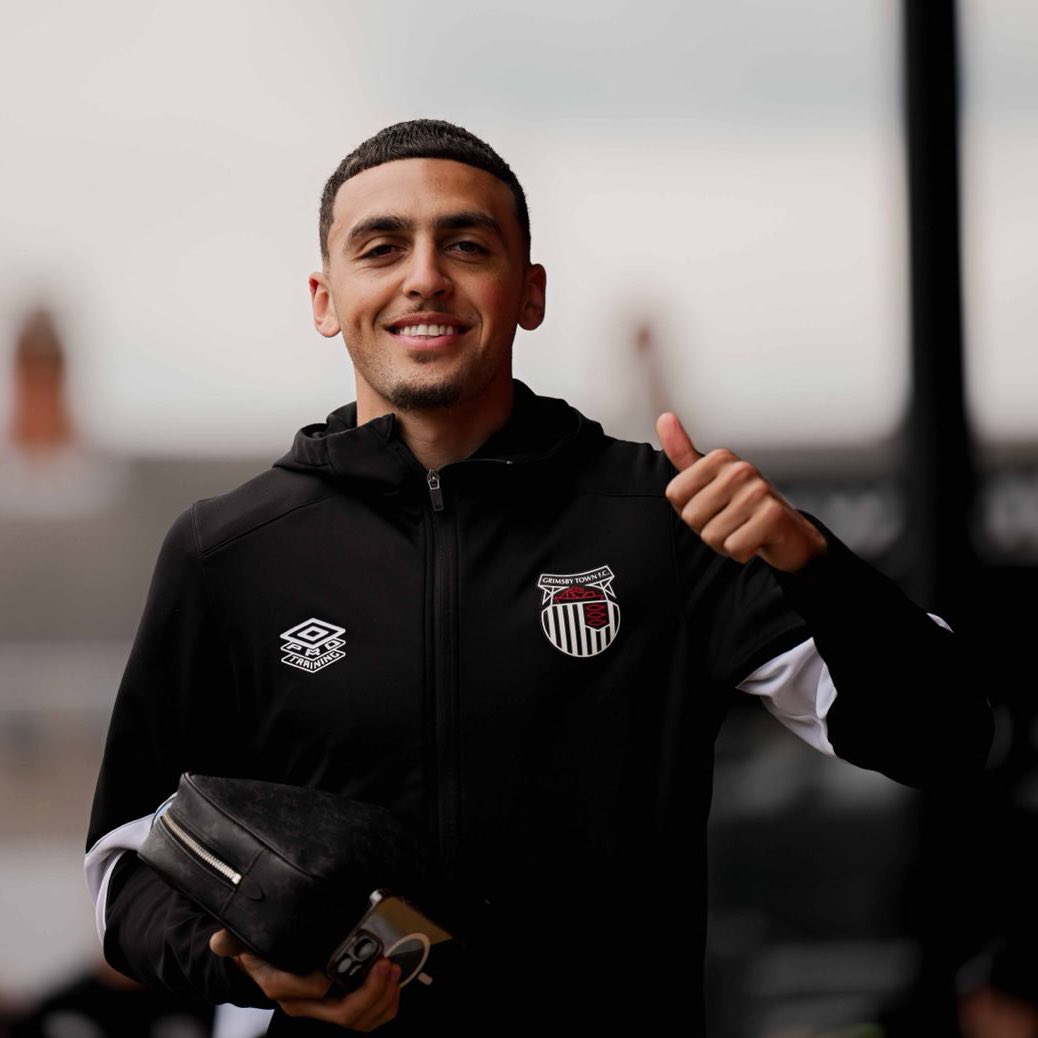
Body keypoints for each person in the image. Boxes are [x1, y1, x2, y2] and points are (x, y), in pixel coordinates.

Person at [85, 119, 992, 1036]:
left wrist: (815, 564)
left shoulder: (668, 521)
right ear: (326, 299)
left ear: (530, 293)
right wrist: (245, 968)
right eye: (382, 247)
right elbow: (127, 865)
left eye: (466, 245)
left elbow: (946, 736)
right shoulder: (230, 551)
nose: (424, 276)